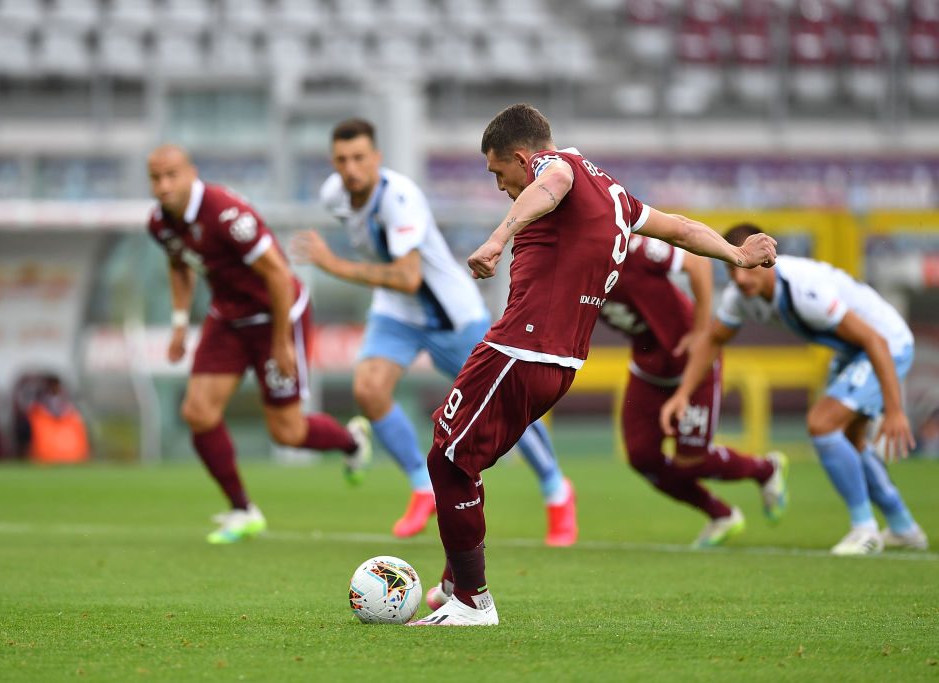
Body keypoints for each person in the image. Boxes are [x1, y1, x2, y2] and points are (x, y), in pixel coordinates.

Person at [410, 104, 779, 626]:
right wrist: (736, 255)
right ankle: (456, 582)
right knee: (462, 460)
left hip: (522, 349)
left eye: (498, 173)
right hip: (558, 364)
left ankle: (472, 600)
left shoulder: (553, 168)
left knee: (448, 460)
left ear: (521, 157)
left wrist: (498, 238)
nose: (499, 186)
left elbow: (551, 181)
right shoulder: (614, 194)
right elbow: (678, 228)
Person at [291, 118, 577, 544]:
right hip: (397, 315)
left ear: (377, 160)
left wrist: (331, 265)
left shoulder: (400, 199)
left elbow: (408, 276)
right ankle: (422, 487)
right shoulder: (335, 195)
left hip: (451, 316)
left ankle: (556, 491)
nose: (350, 169)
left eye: (358, 158)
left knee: (506, 408)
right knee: (369, 390)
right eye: (341, 160)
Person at [146, 144, 370, 544]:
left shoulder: (226, 215)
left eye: (170, 176)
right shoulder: (161, 224)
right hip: (228, 318)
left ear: (190, 174)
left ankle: (351, 442)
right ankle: (242, 510)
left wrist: (281, 341)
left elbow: (280, 276)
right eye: (155, 178)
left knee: (286, 431)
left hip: (276, 314)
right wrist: (180, 322)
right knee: (198, 412)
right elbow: (178, 263)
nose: (163, 186)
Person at [660, 223, 928, 556]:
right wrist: (683, 394)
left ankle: (865, 529)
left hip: (887, 344)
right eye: (731, 268)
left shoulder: (804, 289)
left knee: (822, 424)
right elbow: (713, 340)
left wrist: (895, 410)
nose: (740, 278)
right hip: (853, 352)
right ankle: (903, 527)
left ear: (768, 258)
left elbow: (874, 340)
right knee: (850, 440)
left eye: (748, 267)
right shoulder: (740, 296)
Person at [598, 235, 788, 547]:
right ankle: (721, 514)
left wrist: (701, 331)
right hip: (647, 370)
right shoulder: (572, 269)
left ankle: (766, 469)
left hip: (693, 367)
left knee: (691, 461)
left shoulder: (630, 248)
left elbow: (697, 262)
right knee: (642, 457)